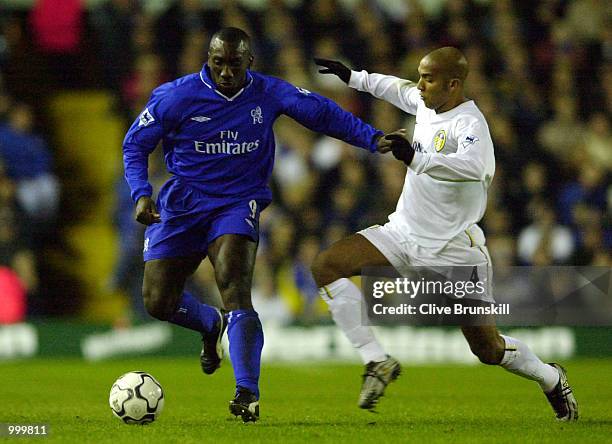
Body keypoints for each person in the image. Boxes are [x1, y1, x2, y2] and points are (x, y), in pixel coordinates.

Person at [122, 27, 392, 423]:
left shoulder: (267, 92)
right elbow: (135, 144)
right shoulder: (175, 96)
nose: (226, 72)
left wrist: (373, 138)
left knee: (234, 285)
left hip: (236, 202)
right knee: (158, 302)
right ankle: (209, 323)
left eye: (234, 64)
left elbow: (322, 113)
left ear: (250, 61)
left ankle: (247, 391)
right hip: (182, 204)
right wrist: (140, 192)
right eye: (218, 63)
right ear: (208, 60)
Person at [312, 48, 578, 421]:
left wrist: (415, 158)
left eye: (429, 79)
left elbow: (473, 167)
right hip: (404, 233)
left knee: (488, 349)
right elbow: (395, 87)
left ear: (453, 84)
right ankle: (377, 361)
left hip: (454, 252)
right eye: (420, 76)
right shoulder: (424, 102)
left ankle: (551, 378)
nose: (420, 85)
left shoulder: (470, 124)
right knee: (327, 266)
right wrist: (353, 77)